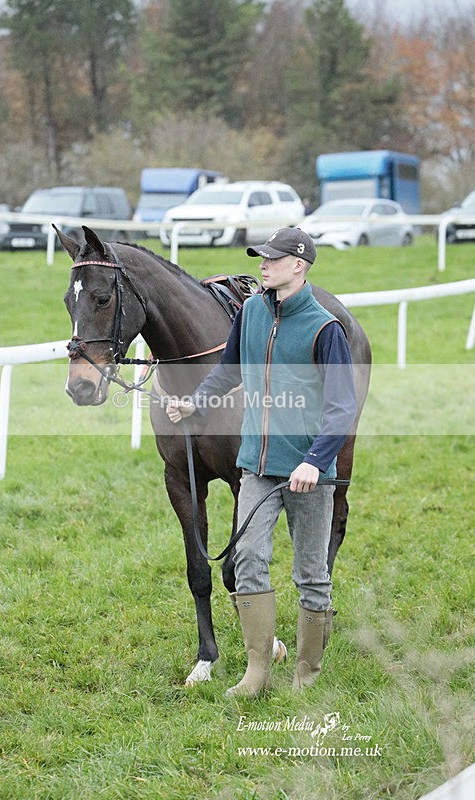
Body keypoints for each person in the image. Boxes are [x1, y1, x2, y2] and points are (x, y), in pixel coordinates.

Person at [166, 227, 356, 697]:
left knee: (311, 574)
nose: (262, 265)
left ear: (299, 265)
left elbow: (342, 407)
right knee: (248, 559)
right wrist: (196, 402)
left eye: (271, 259)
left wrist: (315, 461)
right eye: (260, 258)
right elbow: (229, 368)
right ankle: (256, 672)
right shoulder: (250, 311)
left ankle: (307, 677)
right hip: (256, 463)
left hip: (309, 474)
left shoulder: (324, 327)